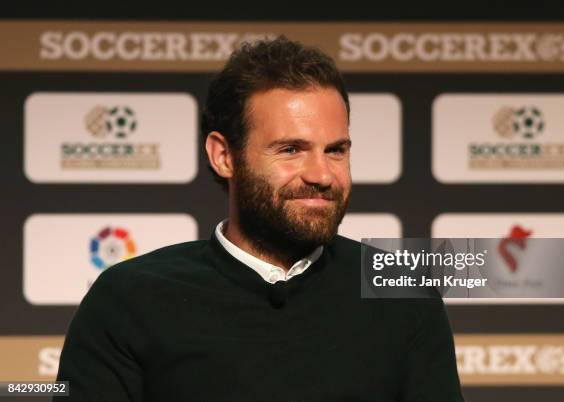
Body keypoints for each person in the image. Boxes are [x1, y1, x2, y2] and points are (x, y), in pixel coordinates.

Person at [54, 36, 464, 402]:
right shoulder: (129, 299)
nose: (322, 175)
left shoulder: (404, 295)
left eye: (336, 150)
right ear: (224, 156)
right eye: (290, 150)